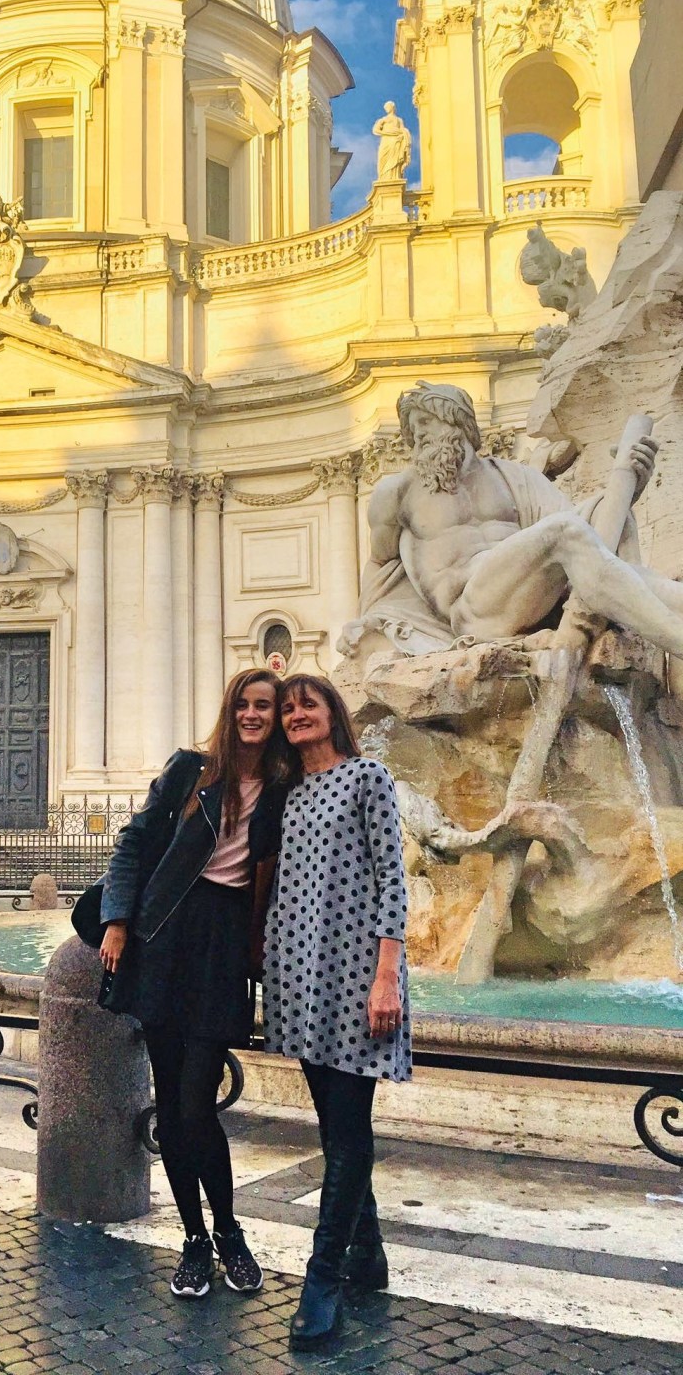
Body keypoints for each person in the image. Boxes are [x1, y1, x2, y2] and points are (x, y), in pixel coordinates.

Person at [99, 669, 290, 1300]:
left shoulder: (285, 791)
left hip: (220, 947)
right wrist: (118, 922)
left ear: (277, 715)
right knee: (175, 1112)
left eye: (264, 705)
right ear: (229, 710)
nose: (252, 714)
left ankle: (230, 1231)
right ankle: (194, 1240)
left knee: (194, 1106)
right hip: (164, 939)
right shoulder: (191, 771)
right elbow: (131, 845)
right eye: (243, 703)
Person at [263, 674, 411, 1350]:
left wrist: (388, 977)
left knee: (348, 1131)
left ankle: (321, 1283)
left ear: (332, 714)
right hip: (301, 975)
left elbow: (392, 879)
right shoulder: (290, 793)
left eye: (307, 705)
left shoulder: (367, 777)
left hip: (356, 978)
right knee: (333, 1126)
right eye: (288, 709)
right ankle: (368, 1254)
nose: (295, 715)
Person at [342, 381, 676, 660]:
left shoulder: (515, 478)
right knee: (567, 530)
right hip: (472, 612)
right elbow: (380, 564)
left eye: (425, 423)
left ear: (457, 421)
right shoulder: (397, 492)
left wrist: (627, 491)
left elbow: (589, 534)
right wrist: (372, 628)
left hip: (524, 598)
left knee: (601, 527)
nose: (417, 436)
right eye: (412, 430)